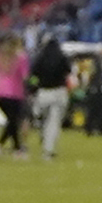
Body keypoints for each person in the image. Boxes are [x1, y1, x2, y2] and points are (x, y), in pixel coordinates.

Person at [28, 28, 72, 161]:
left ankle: (41, 131)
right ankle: (49, 149)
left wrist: (32, 88)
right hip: (59, 92)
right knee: (54, 122)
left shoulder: (40, 57)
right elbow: (68, 71)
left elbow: (33, 75)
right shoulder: (62, 56)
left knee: (43, 119)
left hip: (43, 93)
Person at [0, 34, 30, 155]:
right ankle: (5, 146)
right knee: (13, 121)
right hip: (16, 94)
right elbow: (25, 76)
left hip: (0, 93)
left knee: (11, 121)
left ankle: (16, 148)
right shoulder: (21, 58)